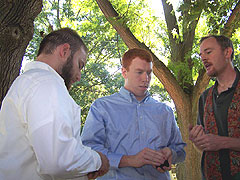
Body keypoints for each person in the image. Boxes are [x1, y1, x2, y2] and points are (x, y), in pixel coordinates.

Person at [0, 28, 109, 180]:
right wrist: (98, 160)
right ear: (65, 51)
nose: (78, 76)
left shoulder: (27, 83)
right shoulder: (47, 84)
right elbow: (58, 161)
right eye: (80, 64)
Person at [81, 48, 186, 180]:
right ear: (124, 72)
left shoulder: (165, 110)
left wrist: (171, 153)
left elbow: (180, 149)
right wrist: (130, 160)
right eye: (139, 72)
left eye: (149, 72)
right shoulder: (102, 107)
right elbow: (89, 149)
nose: (146, 78)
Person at [189, 35, 240, 180]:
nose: (203, 58)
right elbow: (204, 146)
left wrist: (222, 142)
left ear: (227, 52)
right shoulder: (204, 98)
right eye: (201, 55)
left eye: (208, 52)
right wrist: (198, 141)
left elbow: (217, 142)